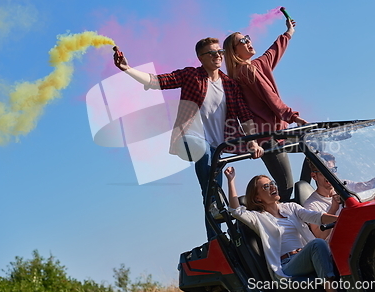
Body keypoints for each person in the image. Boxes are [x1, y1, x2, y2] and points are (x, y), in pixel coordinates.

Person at [113, 38, 264, 240]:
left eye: (219, 51)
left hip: (216, 149)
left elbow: (244, 115)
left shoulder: (229, 85)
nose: (218, 55)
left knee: (211, 193)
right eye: (211, 53)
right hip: (189, 139)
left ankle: (217, 242)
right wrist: (127, 68)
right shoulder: (191, 75)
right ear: (201, 58)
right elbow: (157, 81)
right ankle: (216, 223)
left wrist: (253, 142)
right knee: (203, 152)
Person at [223, 18, 307, 202]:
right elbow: (271, 97)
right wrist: (294, 117)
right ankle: (256, 211)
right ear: (234, 51)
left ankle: (305, 196)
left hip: (280, 132)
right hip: (267, 138)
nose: (248, 42)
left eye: (247, 38)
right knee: (285, 189)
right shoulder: (245, 71)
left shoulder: (258, 65)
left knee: (316, 147)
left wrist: (289, 32)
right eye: (242, 41)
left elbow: (274, 51)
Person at [225, 166, 338, 292]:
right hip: (288, 265)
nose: (273, 187)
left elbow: (317, 217)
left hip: (306, 255)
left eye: (272, 183)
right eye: (266, 187)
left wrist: (341, 218)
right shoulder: (258, 218)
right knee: (318, 243)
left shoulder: (291, 207)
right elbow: (236, 211)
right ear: (257, 198)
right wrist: (231, 181)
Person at [303, 156, 342, 240]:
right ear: (314, 176)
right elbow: (320, 235)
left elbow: (368, 186)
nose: (330, 175)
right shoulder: (311, 205)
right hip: (338, 246)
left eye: (332, 170)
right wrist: (333, 210)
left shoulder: (345, 188)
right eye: (324, 172)